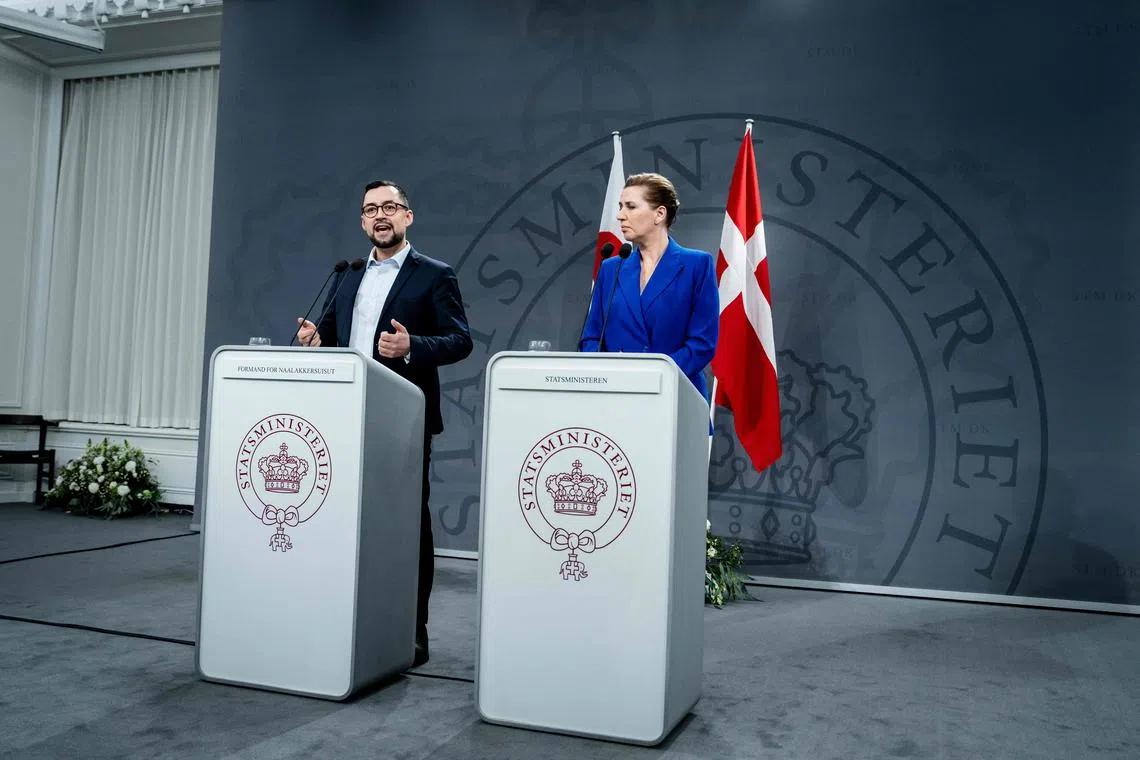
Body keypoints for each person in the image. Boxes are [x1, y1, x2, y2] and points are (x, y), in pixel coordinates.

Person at [296, 180, 473, 668]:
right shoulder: (349, 275)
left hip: (402, 420)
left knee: (407, 526)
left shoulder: (434, 275)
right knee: (342, 520)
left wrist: (413, 346)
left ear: (407, 217)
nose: (380, 215)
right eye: (371, 209)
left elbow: (460, 340)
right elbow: (333, 336)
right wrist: (316, 340)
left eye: (390, 207)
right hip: (344, 419)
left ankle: (411, 629)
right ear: (362, 221)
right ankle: (344, 617)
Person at [579, 173, 718, 400]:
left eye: (631, 207)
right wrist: (611, 378)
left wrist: (652, 377)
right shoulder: (611, 268)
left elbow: (702, 344)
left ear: (659, 214)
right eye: (620, 206)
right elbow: (591, 339)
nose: (620, 215)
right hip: (616, 397)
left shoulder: (697, 265)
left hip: (673, 396)